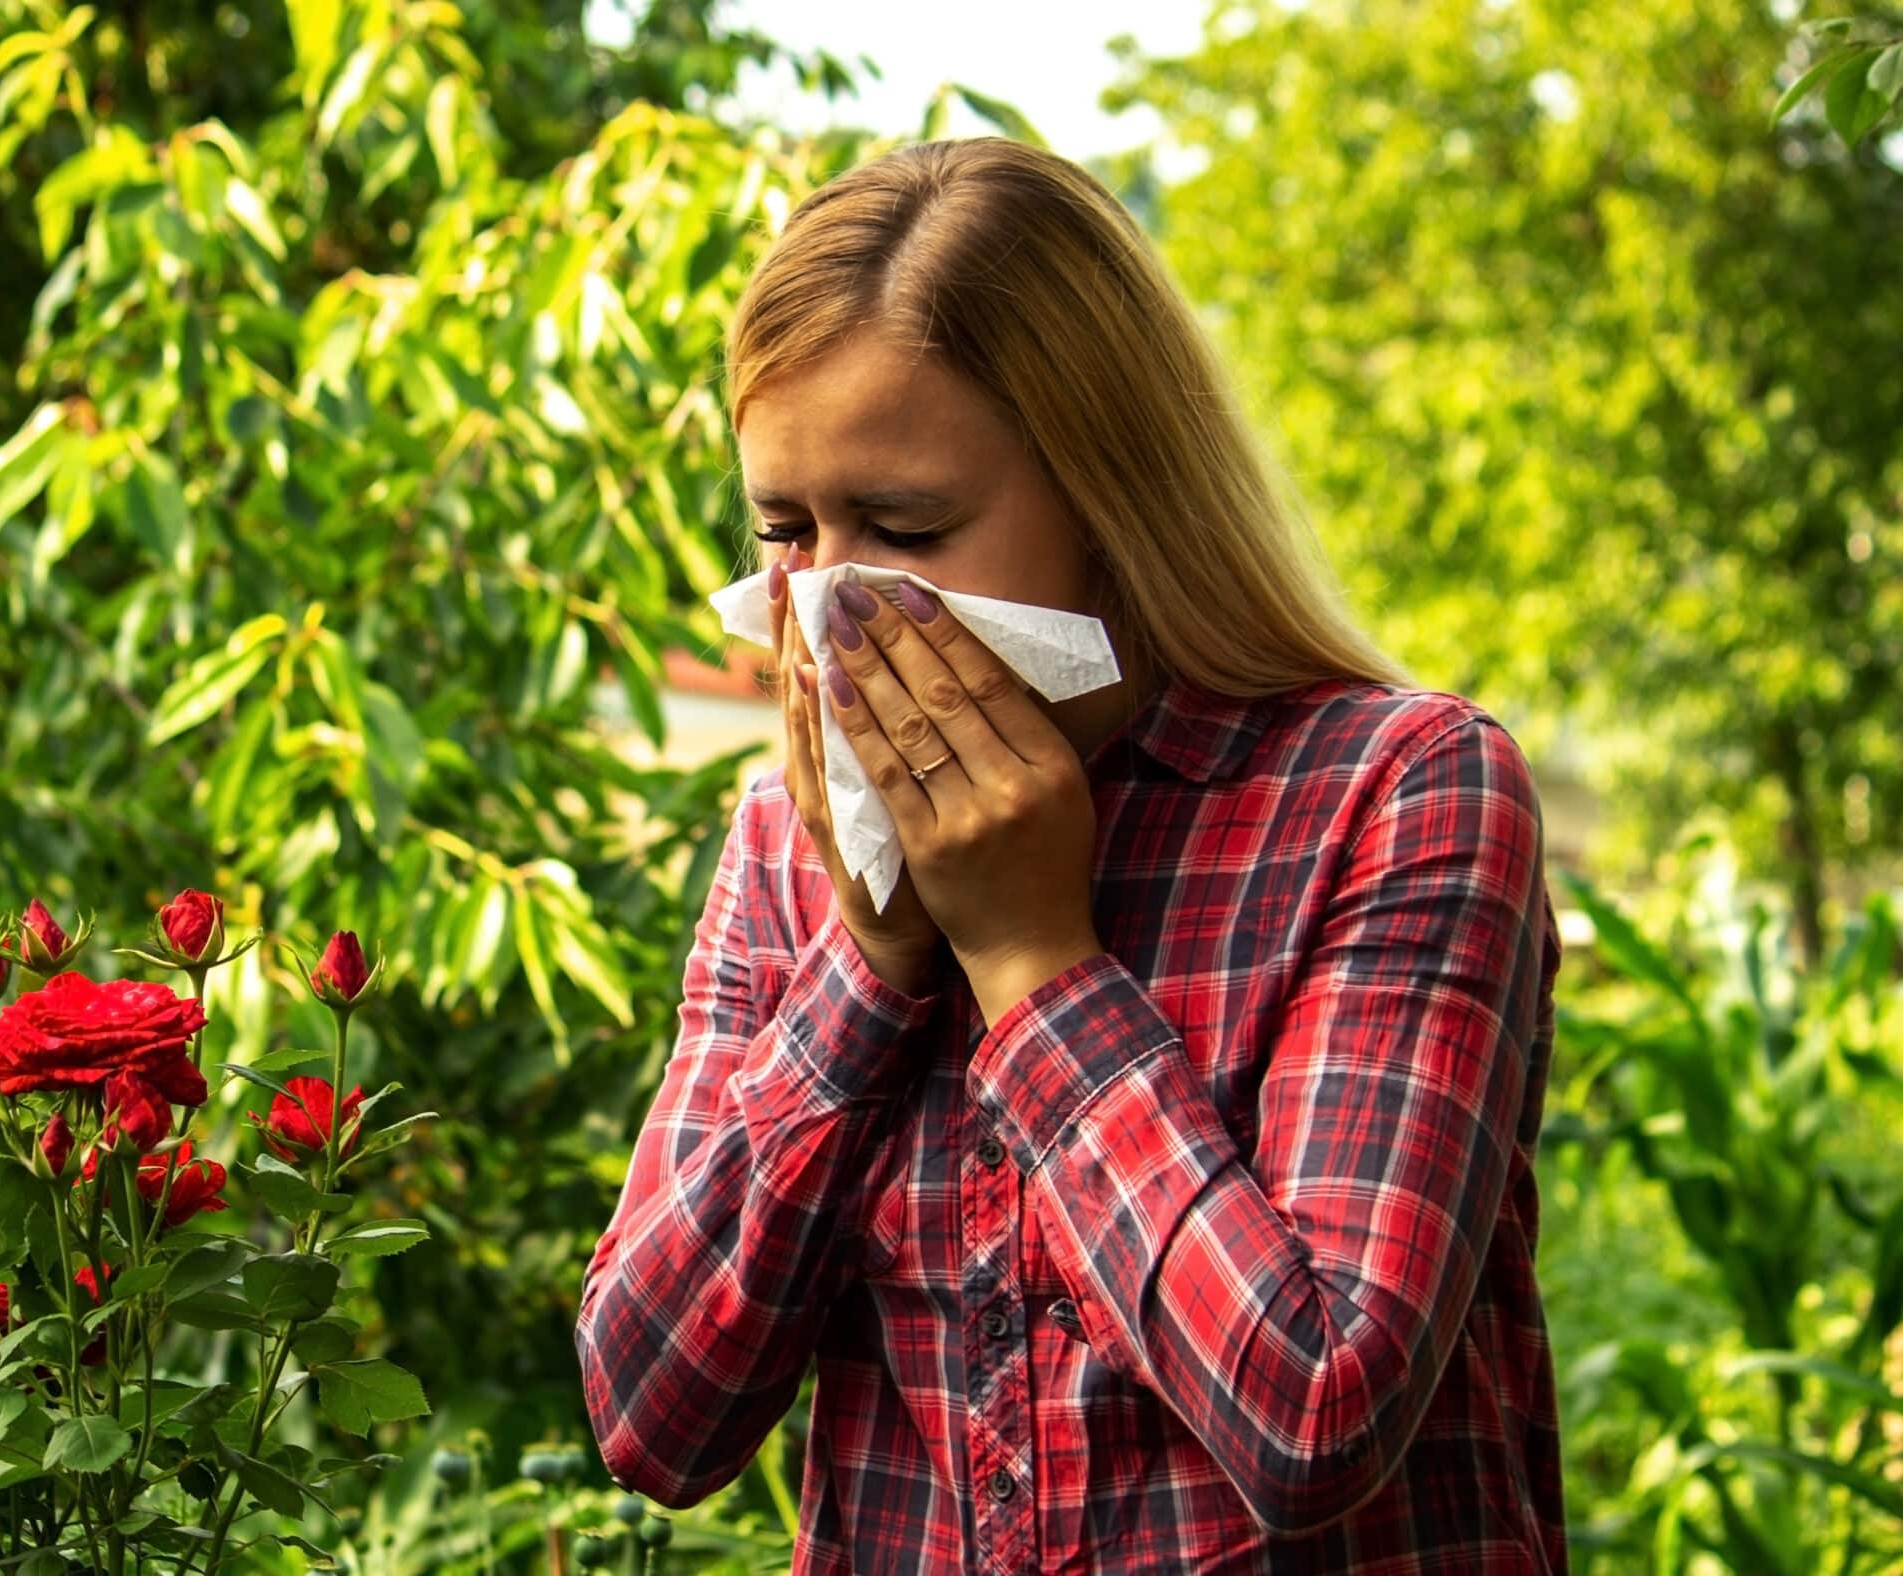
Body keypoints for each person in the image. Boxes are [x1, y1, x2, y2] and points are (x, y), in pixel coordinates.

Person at [573, 137, 1565, 1572]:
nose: (829, 604)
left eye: (905, 527)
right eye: (788, 531)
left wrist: (1033, 958)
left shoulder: (1395, 794)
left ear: (1115, 502)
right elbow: (651, 1415)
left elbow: (1317, 1416)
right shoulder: (790, 849)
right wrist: (873, 960)